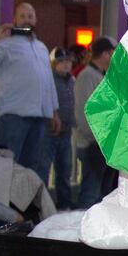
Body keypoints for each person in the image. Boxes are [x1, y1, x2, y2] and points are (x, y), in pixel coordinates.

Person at [0, 2, 60, 174]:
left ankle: (24, 202)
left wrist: (54, 111)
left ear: (35, 20)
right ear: (15, 20)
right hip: (13, 115)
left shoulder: (41, 47)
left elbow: (48, 81)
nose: (27, 20)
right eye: (23, 16)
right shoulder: (5, 45)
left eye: (30, 16)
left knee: (30, 168)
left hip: (39, 116)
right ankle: (4, 201)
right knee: (7, 165)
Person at [73, 36, 114, 207]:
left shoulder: (98, 75)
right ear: (104, 54)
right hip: (93, 144)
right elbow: (83, 111)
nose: (113, 56)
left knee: (102, 194)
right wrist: (96, 137)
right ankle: (81, 227)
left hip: (102, 143)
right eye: (112, 52)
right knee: (91, 192)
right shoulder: (87, 76)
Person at [45, 47, 76, 210]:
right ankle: (41, 204)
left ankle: (64, 203)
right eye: (61, 61)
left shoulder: (72, 80)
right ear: (54, 63)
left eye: (68, 61)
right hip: (50, 131)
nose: (65, 64)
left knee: (65, 170)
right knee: (44, 168)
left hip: (66, 131)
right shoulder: (49, 79)